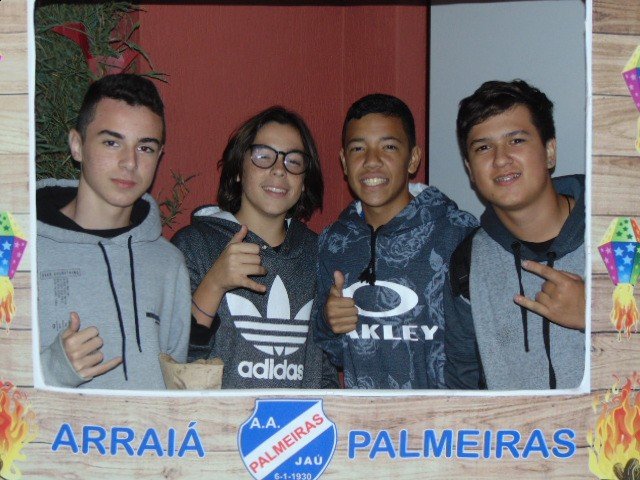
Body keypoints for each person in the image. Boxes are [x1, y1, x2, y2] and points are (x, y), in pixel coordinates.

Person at [313, 93, 477, 389]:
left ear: (412, 158)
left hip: (446, 416)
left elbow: (486, 343)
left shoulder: (459, 233)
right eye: (358, 148)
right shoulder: (332, 243)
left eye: (388, 147)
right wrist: (329, 322)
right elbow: (333, 353)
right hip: (365, 417)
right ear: (344, 162)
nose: (371, 161)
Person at [37, 74, 191, 389]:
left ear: (159, 156)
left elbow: (175, 386)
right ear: (77, 145)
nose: (129, 162)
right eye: (112, 142)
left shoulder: (169, 263)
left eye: (145, 148)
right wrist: (52, 369)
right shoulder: (15, 248)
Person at [172, 106, 337, 389]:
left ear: (304, 181)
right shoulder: (194, 246)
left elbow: (326, 373)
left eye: (293, 161)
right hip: (217, 417)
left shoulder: (320, 253)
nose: (279, 170)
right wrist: (213, 284)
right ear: (238, 169)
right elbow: (176, 360)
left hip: (300, 418)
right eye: (263, 156)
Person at [444, 79, 585, 390]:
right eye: (483, 147)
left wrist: (599, 314)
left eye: (516, 141)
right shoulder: (467, 263)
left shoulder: (620, 233)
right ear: (470, 169)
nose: (500, 159)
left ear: (550, 151)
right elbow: (462, 384)